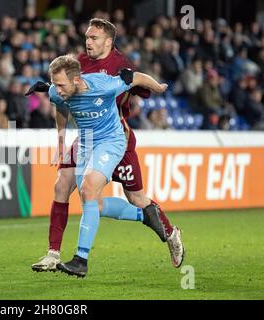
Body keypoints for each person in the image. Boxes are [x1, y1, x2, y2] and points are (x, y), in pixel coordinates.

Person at [30, 18, 184, 273]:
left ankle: (169, 234)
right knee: (63, 185)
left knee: (136, 198)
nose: (88, 42)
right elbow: (61, 98)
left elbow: (136, 83)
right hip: (86, 137)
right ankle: (53, 254)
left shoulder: (120, 64)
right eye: (87, 37)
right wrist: (60, 136)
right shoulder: (78, 63)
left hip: (116, 137)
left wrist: (155, 86)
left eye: (94, 38)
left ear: (108, 41)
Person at [46, 55, 168, 277]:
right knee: (94, 204)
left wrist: (158, 87)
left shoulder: (104, 84)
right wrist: (61, 140)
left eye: (60, 84)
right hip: (86, 143)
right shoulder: (56, 91)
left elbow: (137, 77)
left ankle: (80, 260)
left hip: (111, 141)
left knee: (88, 189)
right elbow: (59, 107)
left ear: (76, 80)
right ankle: (146, 216)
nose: (56, 89)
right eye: (54, 84)